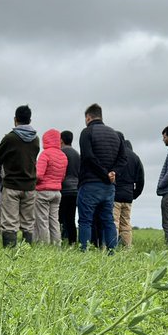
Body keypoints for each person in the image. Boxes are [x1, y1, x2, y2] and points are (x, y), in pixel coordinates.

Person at [76, 103, 122, 251]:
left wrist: (104, 174)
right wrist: (113, 172)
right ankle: (112, 252)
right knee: (108, 220)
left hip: (90, 183)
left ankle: (84, 252)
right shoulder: (115, 134)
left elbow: (88, 157)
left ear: (88, 117)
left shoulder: (87, 132)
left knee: (85, 221)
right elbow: (123, 159)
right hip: (109, 187)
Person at [0, 105, 40, 247]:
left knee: (9, 222)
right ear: (30, 120)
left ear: (15, 120)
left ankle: (10, 252)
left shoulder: (10, 138)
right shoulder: (36, 139)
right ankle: (26, 252)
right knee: (28, 222)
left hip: (11, 185)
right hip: (30, 186)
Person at [34, 128, 67, 245]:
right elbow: (62, 177)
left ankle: (44, 245)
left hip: (43, 192)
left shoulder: (45, 154)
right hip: (57, 192)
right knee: (54, 220)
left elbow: (39, 175)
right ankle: (57, 245)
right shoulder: (63, 155)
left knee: (42, 221)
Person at [112, 135, 145, 247]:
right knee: (126, 224)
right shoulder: (135, 157)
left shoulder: (116, 155)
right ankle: (127, 248)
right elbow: (141, 180)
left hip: (115, 195)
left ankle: (112, 247)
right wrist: (134, 194)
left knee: (114, 223)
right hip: (128, 196)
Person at [59, 129, 80, 245]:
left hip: (63, 189)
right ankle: (73, 242)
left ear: (61, 140)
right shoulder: (77, 154)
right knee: (71, 218)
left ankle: (60, 240)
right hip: (75, 190)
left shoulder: (61, 153)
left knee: (60, 218)